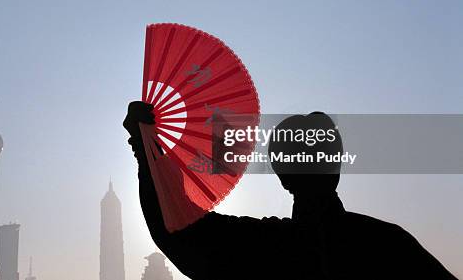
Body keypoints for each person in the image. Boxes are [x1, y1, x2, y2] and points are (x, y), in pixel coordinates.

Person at [124, 101, 456, 280]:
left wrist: (148, 148)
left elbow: (179, 231)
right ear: (337, 164)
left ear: (282, 175)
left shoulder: (263, 248)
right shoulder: (387, 244)